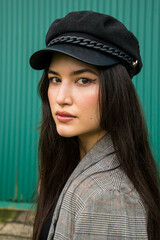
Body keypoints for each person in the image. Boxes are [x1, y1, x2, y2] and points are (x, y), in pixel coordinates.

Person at [30, 11, 160, 240]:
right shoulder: (68, 160)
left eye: (83, 80)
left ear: (117, 90)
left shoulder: (109, 197)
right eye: (55, 79)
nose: (61, 97)